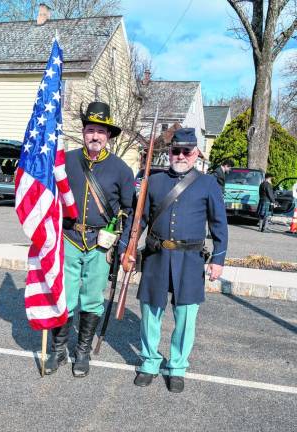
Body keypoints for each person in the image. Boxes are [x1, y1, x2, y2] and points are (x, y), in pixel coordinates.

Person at [133, 128, 228, 393]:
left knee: (186, 316)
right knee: (150, 312)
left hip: (190, 259)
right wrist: (126, 248)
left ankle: (176, 366)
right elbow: (138, 219)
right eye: (176, 150)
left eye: (187, 151)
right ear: (169, 152)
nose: (181, 156)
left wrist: (218, 258)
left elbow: (219, 223)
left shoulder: (208, 183)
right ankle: (150, 362)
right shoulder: (154, 180)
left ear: (196, 153)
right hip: (157, 255)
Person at [45, 101, 135, 377]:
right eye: (90, 130)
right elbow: (48, 194)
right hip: (69, 238)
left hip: (100, 245)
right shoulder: (66, 161)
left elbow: (130, 211)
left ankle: (82, 352)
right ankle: (58, 350)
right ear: (84, 132)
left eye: (101, 131)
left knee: (93, 299)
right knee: (64, 297)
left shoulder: (121, 169)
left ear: (108, 136)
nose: (95, 136)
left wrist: (124, 246)